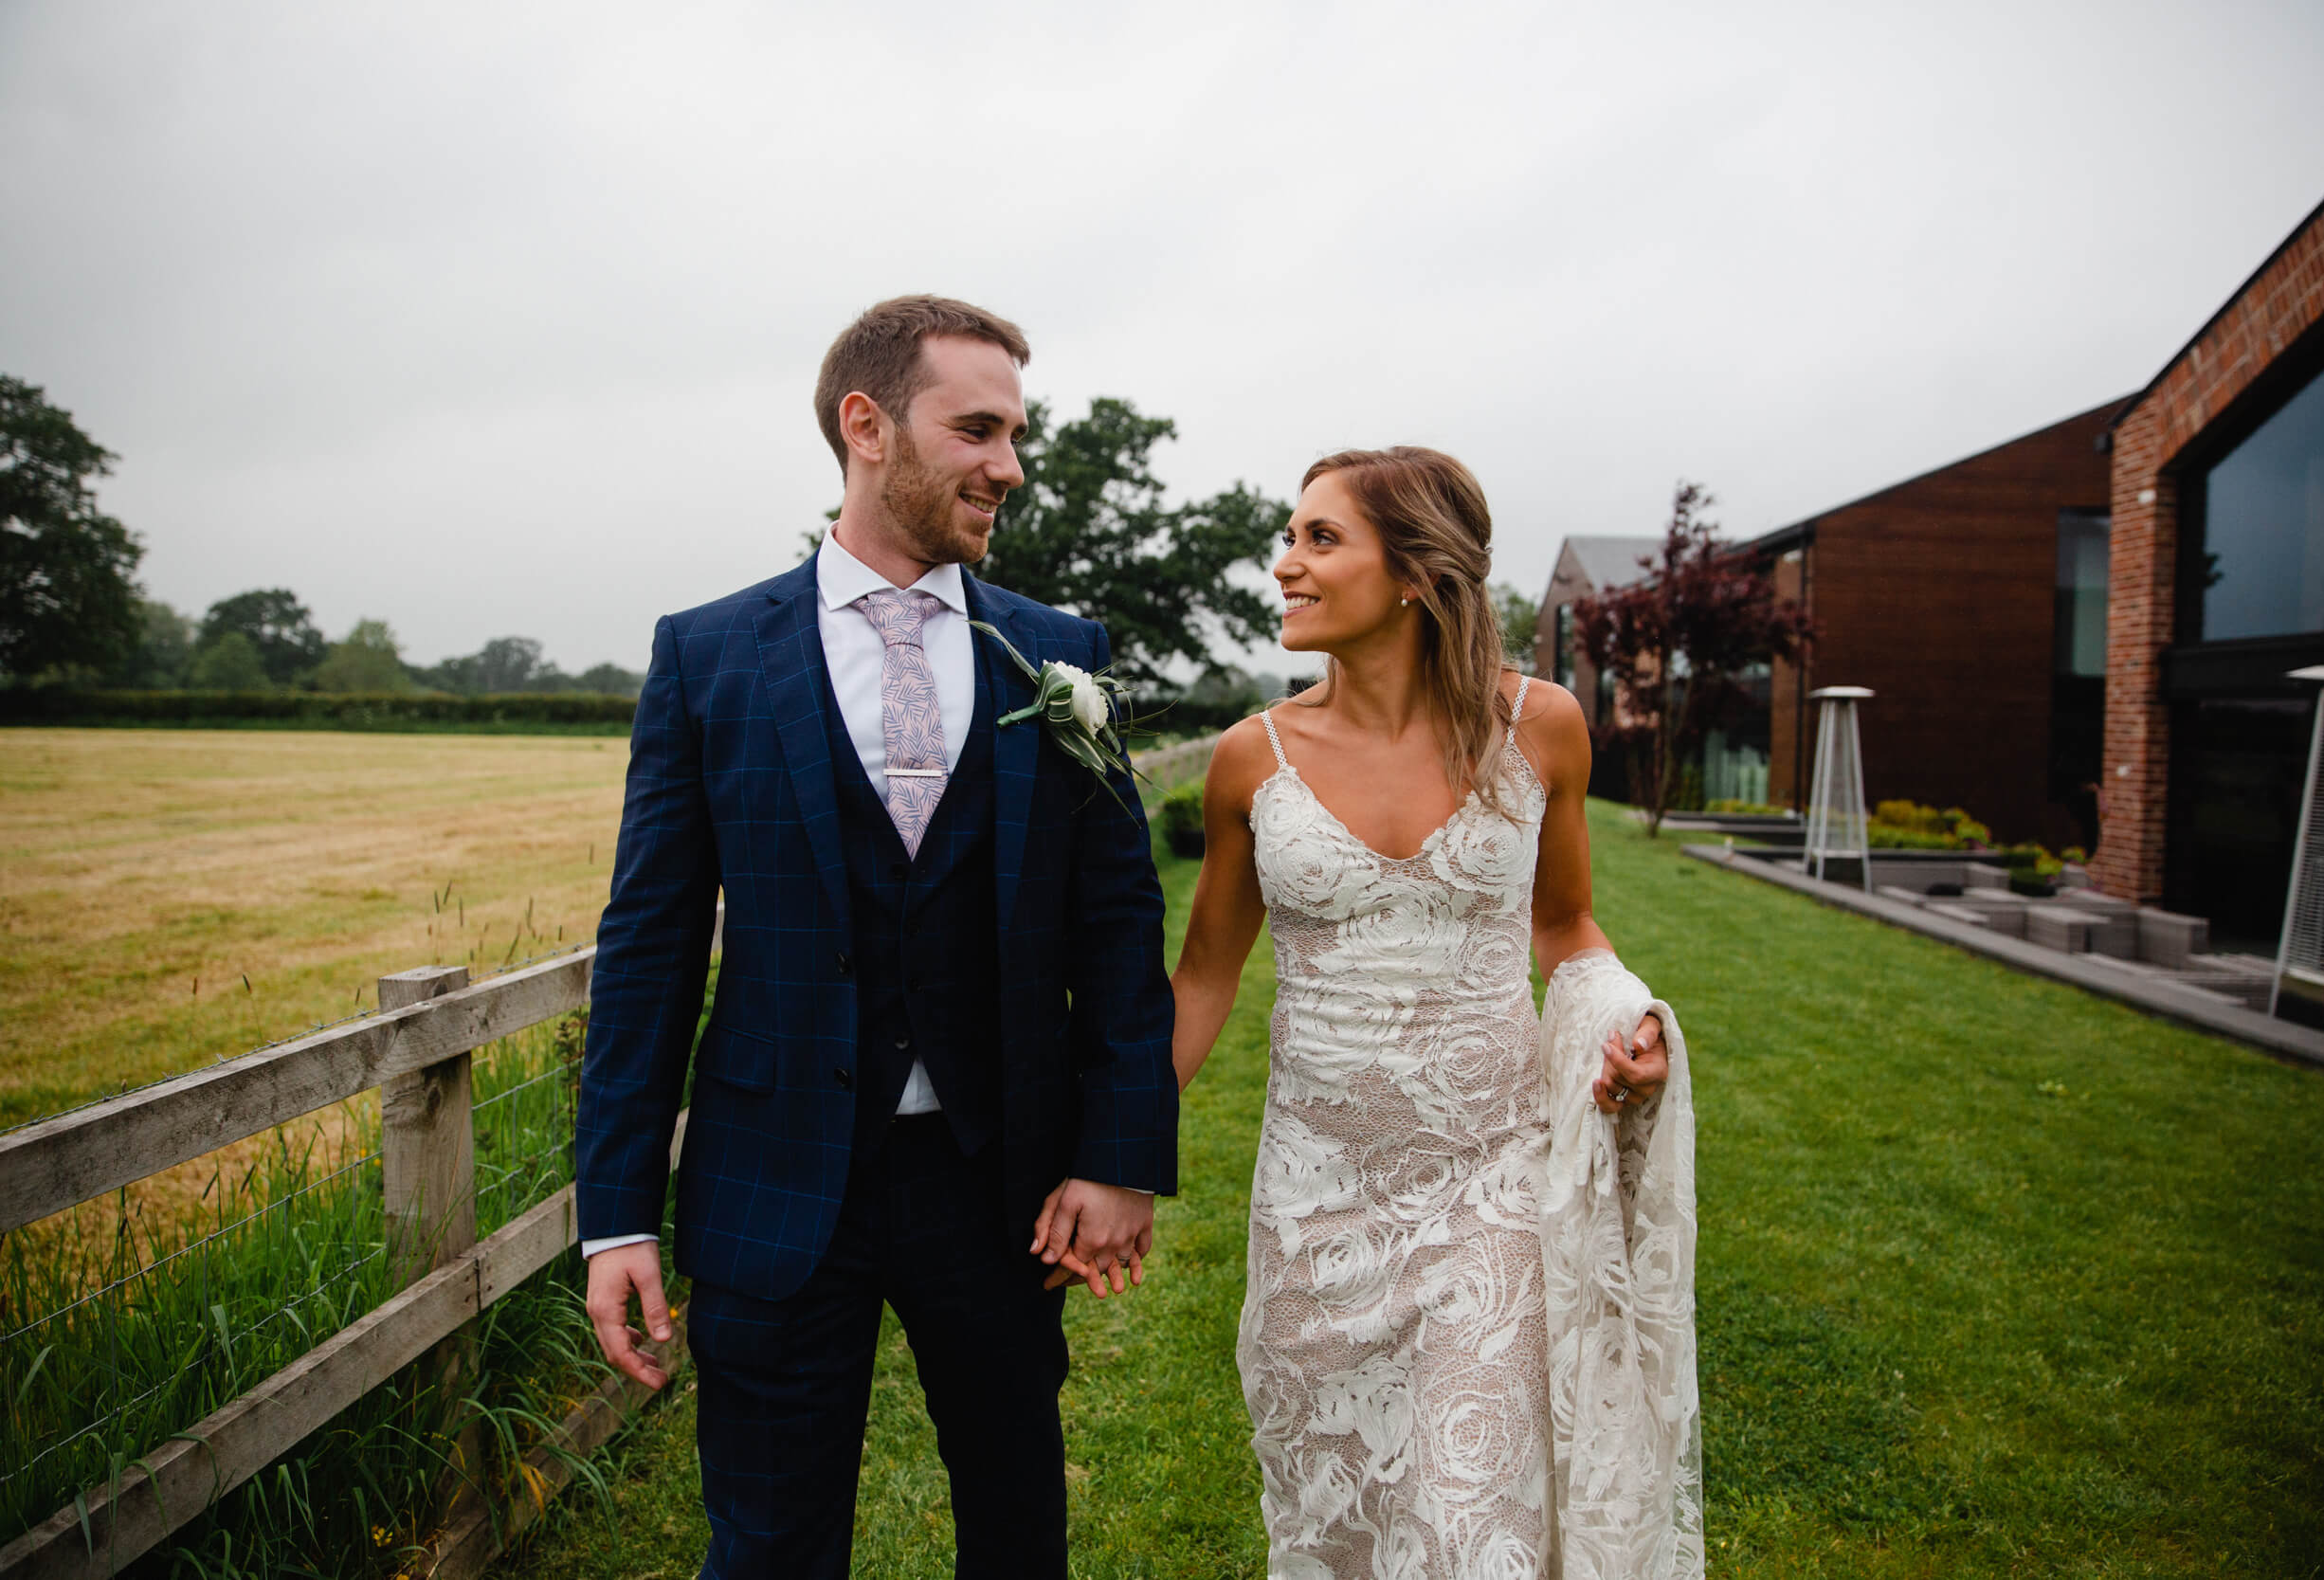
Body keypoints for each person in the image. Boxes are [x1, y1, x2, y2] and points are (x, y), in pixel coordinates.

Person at [573, 295, 1177, 1578]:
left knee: (1018, 1530)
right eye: (978, 428)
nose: (1009, 464)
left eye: (1014, 433)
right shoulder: (711, 656)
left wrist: (1119, 1152)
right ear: (867, 425)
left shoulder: (1060, 655)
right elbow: (650, 947)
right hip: (774, 1176)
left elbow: (1119, 925)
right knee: (770, 1545)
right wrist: (614, 1211)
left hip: (1001, 1181)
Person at [1169, 447, 1686, 1575]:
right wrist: (1104, 1143)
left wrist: (1624, 1016)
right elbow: (1206, 973)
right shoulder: (1246, 762)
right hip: (1316, 1206)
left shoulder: (1541, 728)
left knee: (1470, 1520)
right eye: (1290, 538)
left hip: (1487, 1183)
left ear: (1413, 570)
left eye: (1318, 539)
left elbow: (1566, 926)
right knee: (1340, 1526)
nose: (1284, 564)